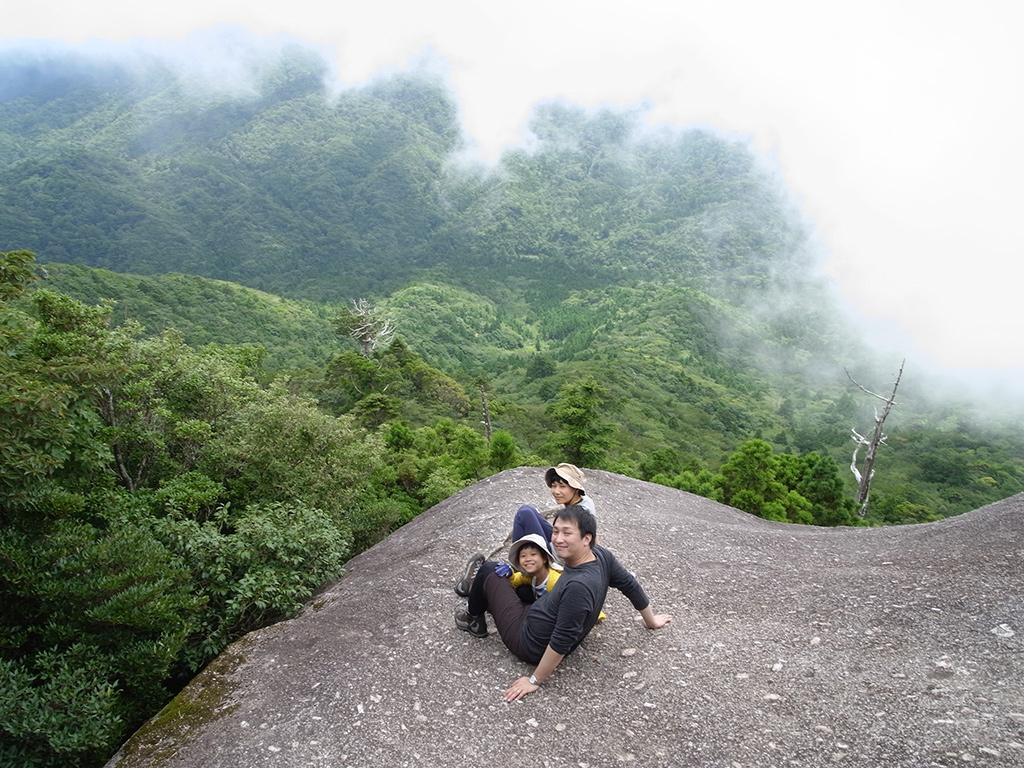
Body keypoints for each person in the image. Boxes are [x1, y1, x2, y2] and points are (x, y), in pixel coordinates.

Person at [454, 504, 671, 701]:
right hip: (539, 618)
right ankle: (481, 598)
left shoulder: (579, 586)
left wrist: (534, 681)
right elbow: (629, 585)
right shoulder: (601, 556)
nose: (558, 539)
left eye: (567, 533)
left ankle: (473, 619)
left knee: (490, 570)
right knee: (518, 586)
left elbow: (562, 639)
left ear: (587, 538)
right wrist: (650, 620)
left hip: (527, 640)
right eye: (555, 531)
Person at [511, 463, 595, 549]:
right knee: (527, 509)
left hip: (560, 554)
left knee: (524, 513)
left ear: (576, 489)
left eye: (562, 486)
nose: (556, 491)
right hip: (560, 544)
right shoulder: (585, 499)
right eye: (554, 486)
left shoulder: (578, 513)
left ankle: (517, 558)